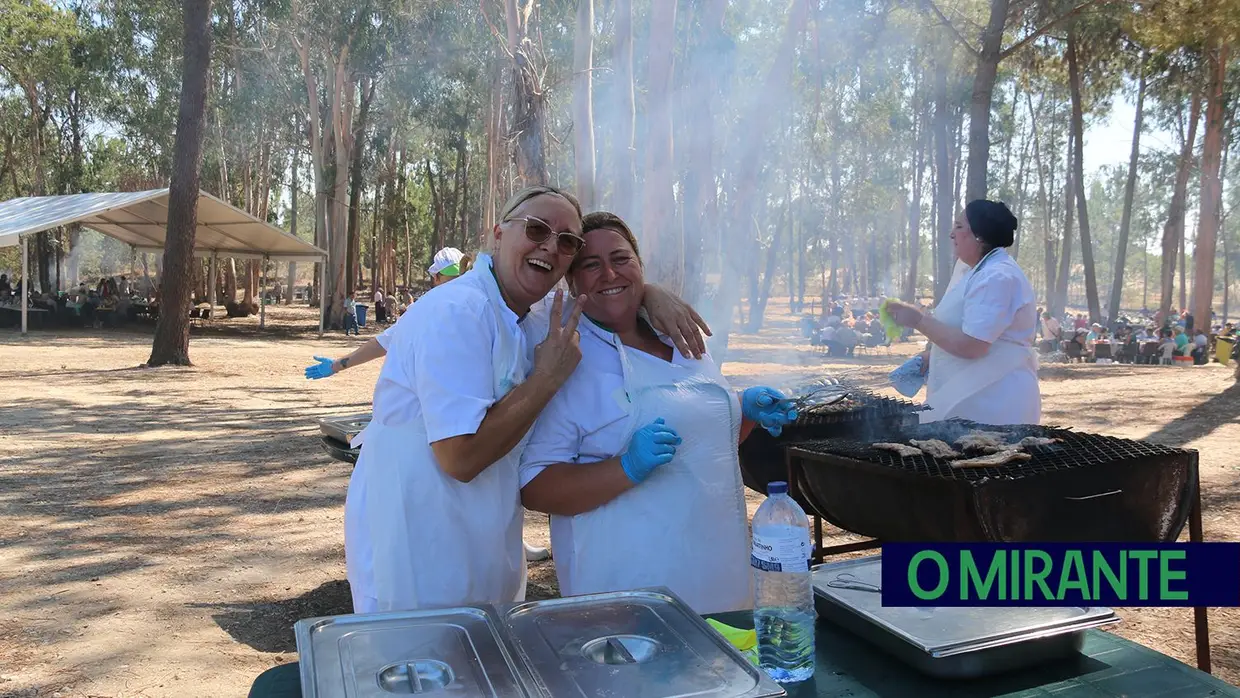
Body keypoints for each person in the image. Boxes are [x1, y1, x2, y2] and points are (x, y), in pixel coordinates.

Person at [336, 188, 710, 614]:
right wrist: (546, 378)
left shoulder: (525, 313)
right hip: (416, 539)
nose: (549, 246)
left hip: (483, 533)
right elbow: (460, 458)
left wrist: (648, 292)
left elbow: (601, 293)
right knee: (422, 665)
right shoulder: (458, 311)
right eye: (537, 230)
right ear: (498, 234)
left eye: (567, 242)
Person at [516, 212, 796, 614]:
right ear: (571, 280)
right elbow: (535, 486)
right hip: (627, 589)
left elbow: (698, 448)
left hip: (719, 573)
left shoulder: (679, 334)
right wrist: (626, 467)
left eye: (621, 258)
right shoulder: (566, 351)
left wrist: (743, 413)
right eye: (591, 265)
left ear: (641, 267)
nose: (609, 273)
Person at [884, 200, 1040, 425]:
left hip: (994, 404)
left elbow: (973, 345)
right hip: (970, 399)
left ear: (979, 235)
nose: (951, 234)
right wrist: (930, 357)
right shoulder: (977, 272)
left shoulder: (997, 277)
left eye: (958, 227)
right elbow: (982, 336)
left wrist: (918, 320)